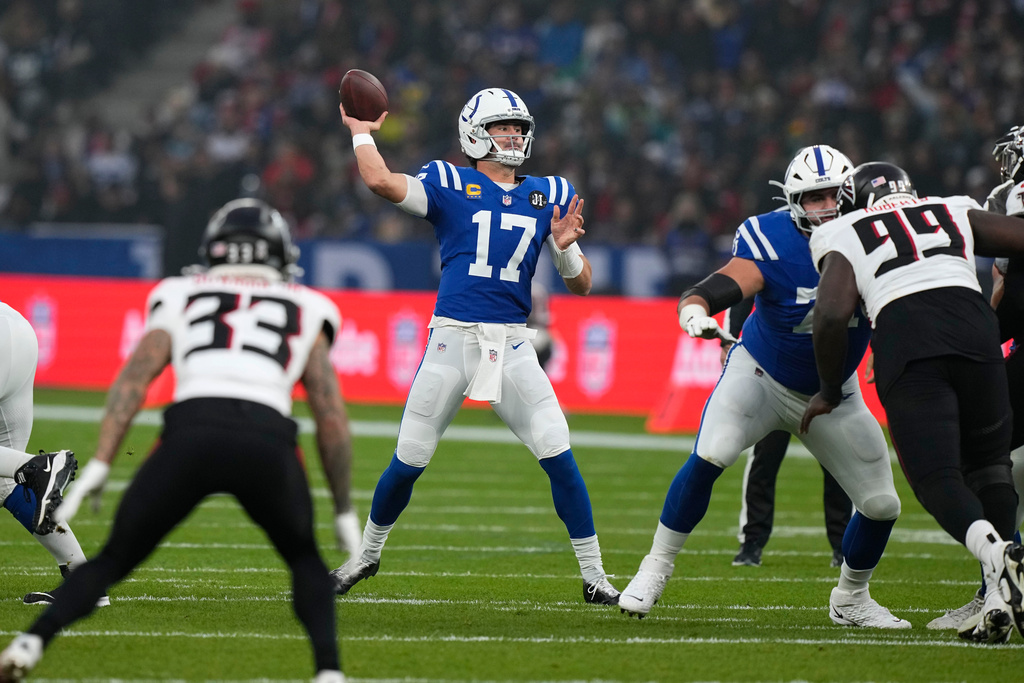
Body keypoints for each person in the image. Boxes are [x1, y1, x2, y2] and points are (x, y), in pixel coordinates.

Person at [0, 199, 358, 682]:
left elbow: (132, 383)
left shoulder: (178, 292)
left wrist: (105, 461)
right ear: (279, 253)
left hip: (192, 432)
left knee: (113, 560)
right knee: (305, 562)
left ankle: (29, 644)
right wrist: (341, 506)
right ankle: (329, 672)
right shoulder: (310, 305)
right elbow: (330, 416)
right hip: (267, 440)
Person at [329, 88, 619, 605]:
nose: (512, 136)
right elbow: (378, 180)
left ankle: (595, 576)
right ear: (473, 134)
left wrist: (567, 249)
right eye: (501, 127)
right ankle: (365, 555)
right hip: (452, 338)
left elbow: (582, 285)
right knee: (409, 458)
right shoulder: (448, 181)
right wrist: (360, 133)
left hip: (512, 344)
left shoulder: (549, 193)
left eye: (517, 128)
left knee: (558, 450)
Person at [619, 145, 909, 629]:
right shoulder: (771, 236)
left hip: (834, 391)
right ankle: (655, 567)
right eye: (810, 198)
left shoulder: (872, 239)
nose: (822, 208)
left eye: (830, 196)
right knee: (712, 454)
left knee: (882, 505)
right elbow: (725, 283)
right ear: (793, 201)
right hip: (760, 375)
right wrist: (693, 309)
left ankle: (851, 598)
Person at [801, 161, 1024, 643]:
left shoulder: (843, 228)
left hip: (909, 337)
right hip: (976, 330)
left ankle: (997, 557)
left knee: (935, 477)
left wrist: (828, 388)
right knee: (991, 464)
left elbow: (832, 314)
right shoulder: (951, 207)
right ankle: (996, 597)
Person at [927, 125, 1024, 631]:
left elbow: (1011, 290)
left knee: (984, 457)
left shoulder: (1014, 197)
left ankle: (999, 589)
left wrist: (979, 335)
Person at [722, 298, 852, 569]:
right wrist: (729, 338)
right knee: (763, 461)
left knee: (839, 464)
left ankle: (844, 545)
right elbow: (744, 289)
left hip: (823, 377)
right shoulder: (776, 258)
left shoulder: (836, 259)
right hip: (775, 375)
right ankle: (752, 541)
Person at [0, 301, 109, 608]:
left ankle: (39, 466)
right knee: (5, 480)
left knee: (21, 469)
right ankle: (85, 581)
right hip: (16, 329)